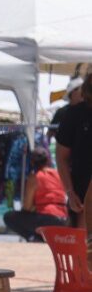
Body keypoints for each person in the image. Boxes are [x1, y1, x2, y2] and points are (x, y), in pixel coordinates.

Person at [3, 146, 68, 241]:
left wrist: (34, 206)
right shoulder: (58, 174)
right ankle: (39, 237)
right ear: (48, 161)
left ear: (32, 163)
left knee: (9, 217)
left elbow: (27, 207)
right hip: (63, 219)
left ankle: (33, 237)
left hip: (47, 218)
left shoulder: (34, 177)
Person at [57, 74, 92, 227]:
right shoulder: (75, 114)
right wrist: (70, 192)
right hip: (82, 192)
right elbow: (61, 157)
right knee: (84, 238)